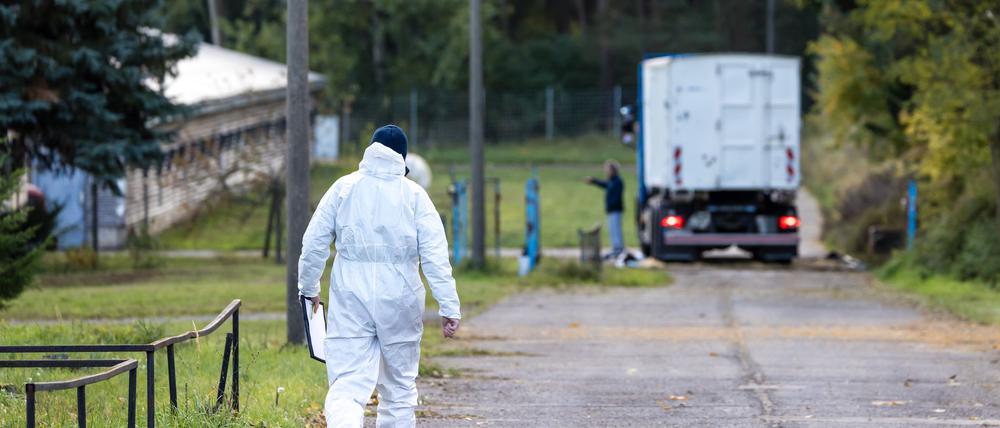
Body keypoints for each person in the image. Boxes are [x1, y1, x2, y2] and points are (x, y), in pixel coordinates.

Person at [298, 124, 461, 428]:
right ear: (402, 158)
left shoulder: (343, 188)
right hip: (400, 296)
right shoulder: (414, 195)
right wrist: (449, 306)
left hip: (350, 295)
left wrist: (309, 288)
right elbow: (436, 257)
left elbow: (314, 241)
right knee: (398, 388)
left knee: (347, 384)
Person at [584, 160, 625, 258]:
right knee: (612, 229)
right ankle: (615, 248)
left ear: (613, 170)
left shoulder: (617, 181)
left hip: (615, 209)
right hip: (611, 210)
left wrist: (612, 205)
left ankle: (618, 248)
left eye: (608, 170)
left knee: (616, 229)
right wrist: (593, 181)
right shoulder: (611, 181)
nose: (607, 172)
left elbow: (615, 195)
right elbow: (603, 184)